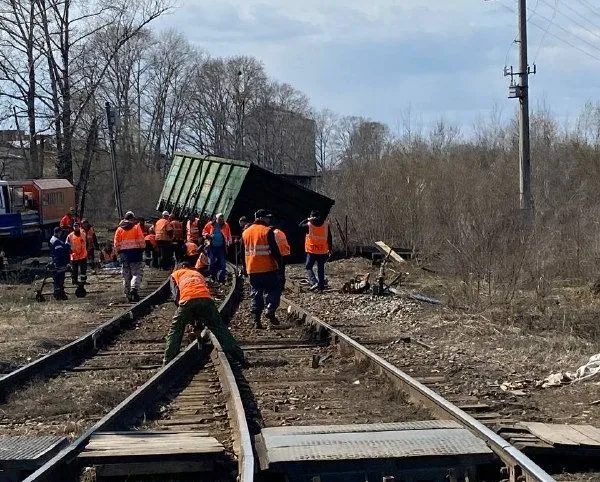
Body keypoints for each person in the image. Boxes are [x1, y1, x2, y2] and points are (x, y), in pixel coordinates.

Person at [163, 262, 247, 366]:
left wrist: (188, 317)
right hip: (206, 300)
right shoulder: (198, 274)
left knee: (176, 329)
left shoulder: (175, 274)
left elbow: (176, 296)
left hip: (186, 300)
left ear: (181, 267)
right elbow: (201, 293)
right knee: (220, 328)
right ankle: (240, 357)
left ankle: (168, 361)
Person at [242, 209, 282, 328]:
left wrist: (245, 269)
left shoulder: (245, 232)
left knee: (256, 293)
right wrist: (280, 267)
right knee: (274, 289)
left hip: (252, 269)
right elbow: (275, 251)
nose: (269, 219)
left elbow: (241, 253)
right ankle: (270, 308)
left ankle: (256, 321)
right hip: (268, 268)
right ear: (262, 218)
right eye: (267, 217)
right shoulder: (267, 231)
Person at [114, 211, 146, 302]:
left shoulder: (119, 229)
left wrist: (118, 252)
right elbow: (141, 240)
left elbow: (116, 243)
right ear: (132, 218)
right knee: (136, 273)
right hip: (135, 254)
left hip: (124, 255)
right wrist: (142, 248)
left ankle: (127, 294)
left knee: (126, 275)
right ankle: (134, 289)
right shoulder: (136, 228)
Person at [300, 210, 332, 291]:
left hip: (312, 250)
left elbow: (300, 226)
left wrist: (307, 219)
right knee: (321, 268)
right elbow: (329, 237)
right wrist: (330, 248)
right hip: (322, 250)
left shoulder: (309, 225)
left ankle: (314, 282)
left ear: (311, 216)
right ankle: (321, 286)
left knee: (308, 267)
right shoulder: (325, 224)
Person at [202, 213, 232, 283]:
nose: (221, 221)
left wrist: (229, 242)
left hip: (221, 247)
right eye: (220, 219)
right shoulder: (210, 224)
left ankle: (221, 278)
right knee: (211, 262)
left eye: (222, 219)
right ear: (216, 219)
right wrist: (207, 235)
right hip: (211, 247)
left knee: (222, 263)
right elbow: (204, 231)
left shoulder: (226, 225)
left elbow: (229, 234)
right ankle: (212, 276)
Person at [49, 227, 70, 300]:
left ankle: (60, 294)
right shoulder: (56, 241)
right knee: (59, 279)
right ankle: (58, 295)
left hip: (57, 261)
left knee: (58, 279)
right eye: (61, 232)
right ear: (59, 232)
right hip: (59, 262)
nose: (61, 234)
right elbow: (60, 253)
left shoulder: (54, 239)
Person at [67, 222, 88, 287]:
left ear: (79, 226)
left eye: (77, 226)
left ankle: (83, 281)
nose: (76, 227)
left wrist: (87, 250)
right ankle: (75, 281)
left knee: (83, 270)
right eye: (74, 226)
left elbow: (87, 242)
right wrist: (69, 251)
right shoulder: (70, 235)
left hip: (83, 255)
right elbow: (67, 244)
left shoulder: (83, 234)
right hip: (74, 256)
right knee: (74, 270)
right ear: (73, 227)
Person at [273, 225, 291, 291]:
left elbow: (274, 245)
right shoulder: (281, 232)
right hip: (285, 253)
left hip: (279, 254)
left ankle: (279, 286)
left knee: (278, 271)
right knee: (282, 270)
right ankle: (282, 285)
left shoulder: (273, 234)